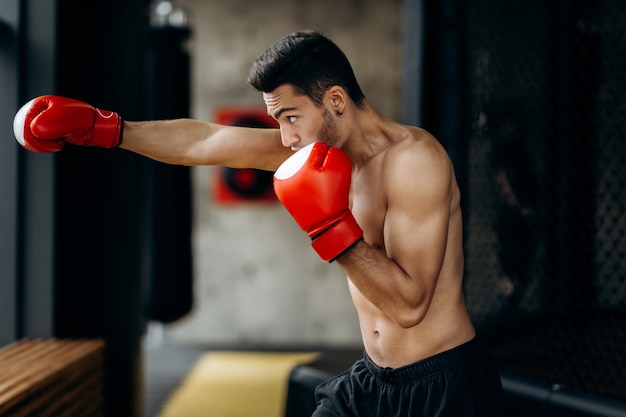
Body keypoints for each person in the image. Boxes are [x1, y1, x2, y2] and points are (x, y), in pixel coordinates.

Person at [13, 31, 504, 416]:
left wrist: (330, 226)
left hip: (445, 386)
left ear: (335, 100)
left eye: (291, 117)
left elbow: (410, 305)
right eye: (278, 122)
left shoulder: (414, 162)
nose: (285, 138)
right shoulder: (319, 150)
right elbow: (202, 142)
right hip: (375, 379)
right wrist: (107, 130)